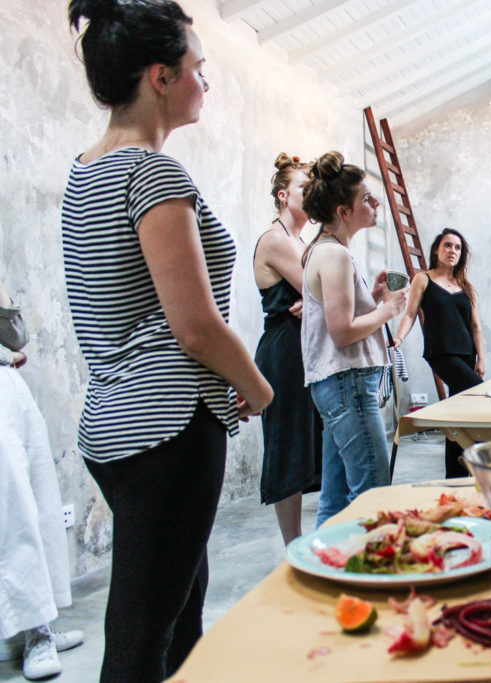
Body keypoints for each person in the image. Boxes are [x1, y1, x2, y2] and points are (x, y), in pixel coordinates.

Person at [63, 2, 274, 681]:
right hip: (170, 428)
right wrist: (257, 384)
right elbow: (194, 325)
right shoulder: (152, 174)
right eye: (198, 69)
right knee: (139, 637)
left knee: (175, 617)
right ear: (160, 76)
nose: (204, 83)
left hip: (112, 425)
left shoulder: (82, 173)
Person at [300, 151, 407, 527]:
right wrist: (388, 310)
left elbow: (341, 319)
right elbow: (342, 332)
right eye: (366, 198)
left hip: (337, 384)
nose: (375, 203)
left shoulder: (328, 251)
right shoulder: (334, 255)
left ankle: (324, 577)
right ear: (344, 211)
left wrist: (374, 299)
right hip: (347, 384)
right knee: (372, 496)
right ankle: (366, 580)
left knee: (335, 499)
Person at [0, 278, 85, 680]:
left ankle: (38, 623)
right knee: (13, 511)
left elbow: (16, 337)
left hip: (9, 389)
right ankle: (32, 633)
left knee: (36, 503)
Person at [253, 153, 323, 545]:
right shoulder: (276, 240)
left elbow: (325, 295)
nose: (311, 194)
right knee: (288, 447)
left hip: (307, 348)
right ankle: (293, 545)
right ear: (283, 195)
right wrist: (314, 299)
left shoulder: (302, 242)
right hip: (284, 353)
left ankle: (308, 540)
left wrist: (314, 303)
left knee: (312, 443)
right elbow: (325, 291)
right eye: (303, 188)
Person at [393, 228, 485, 478]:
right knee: (479, 394)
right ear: (436, 249)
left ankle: (454, 476)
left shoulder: (466, 285)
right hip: (441, 352)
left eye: (457, 247)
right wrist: (399, 337)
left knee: (458, 412)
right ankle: (485, 463)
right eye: (447, 245)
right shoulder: (423, 279)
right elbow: (411, 313)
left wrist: (481, 358)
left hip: (467, 354)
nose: (452, 251)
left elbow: (475, 326)